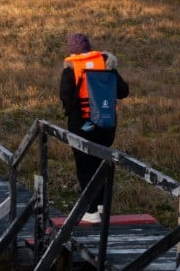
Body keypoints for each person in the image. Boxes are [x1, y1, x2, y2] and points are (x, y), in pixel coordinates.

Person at [59, 32, 129, 224]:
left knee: (85, 168)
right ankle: (102, 206)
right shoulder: (106, 64)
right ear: (89, 48)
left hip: (82, 127)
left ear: (72, 51)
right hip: (106, 126)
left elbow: (66, 99)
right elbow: (123, 91)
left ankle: (90, 212)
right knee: (100, 165)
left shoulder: (71, 69)